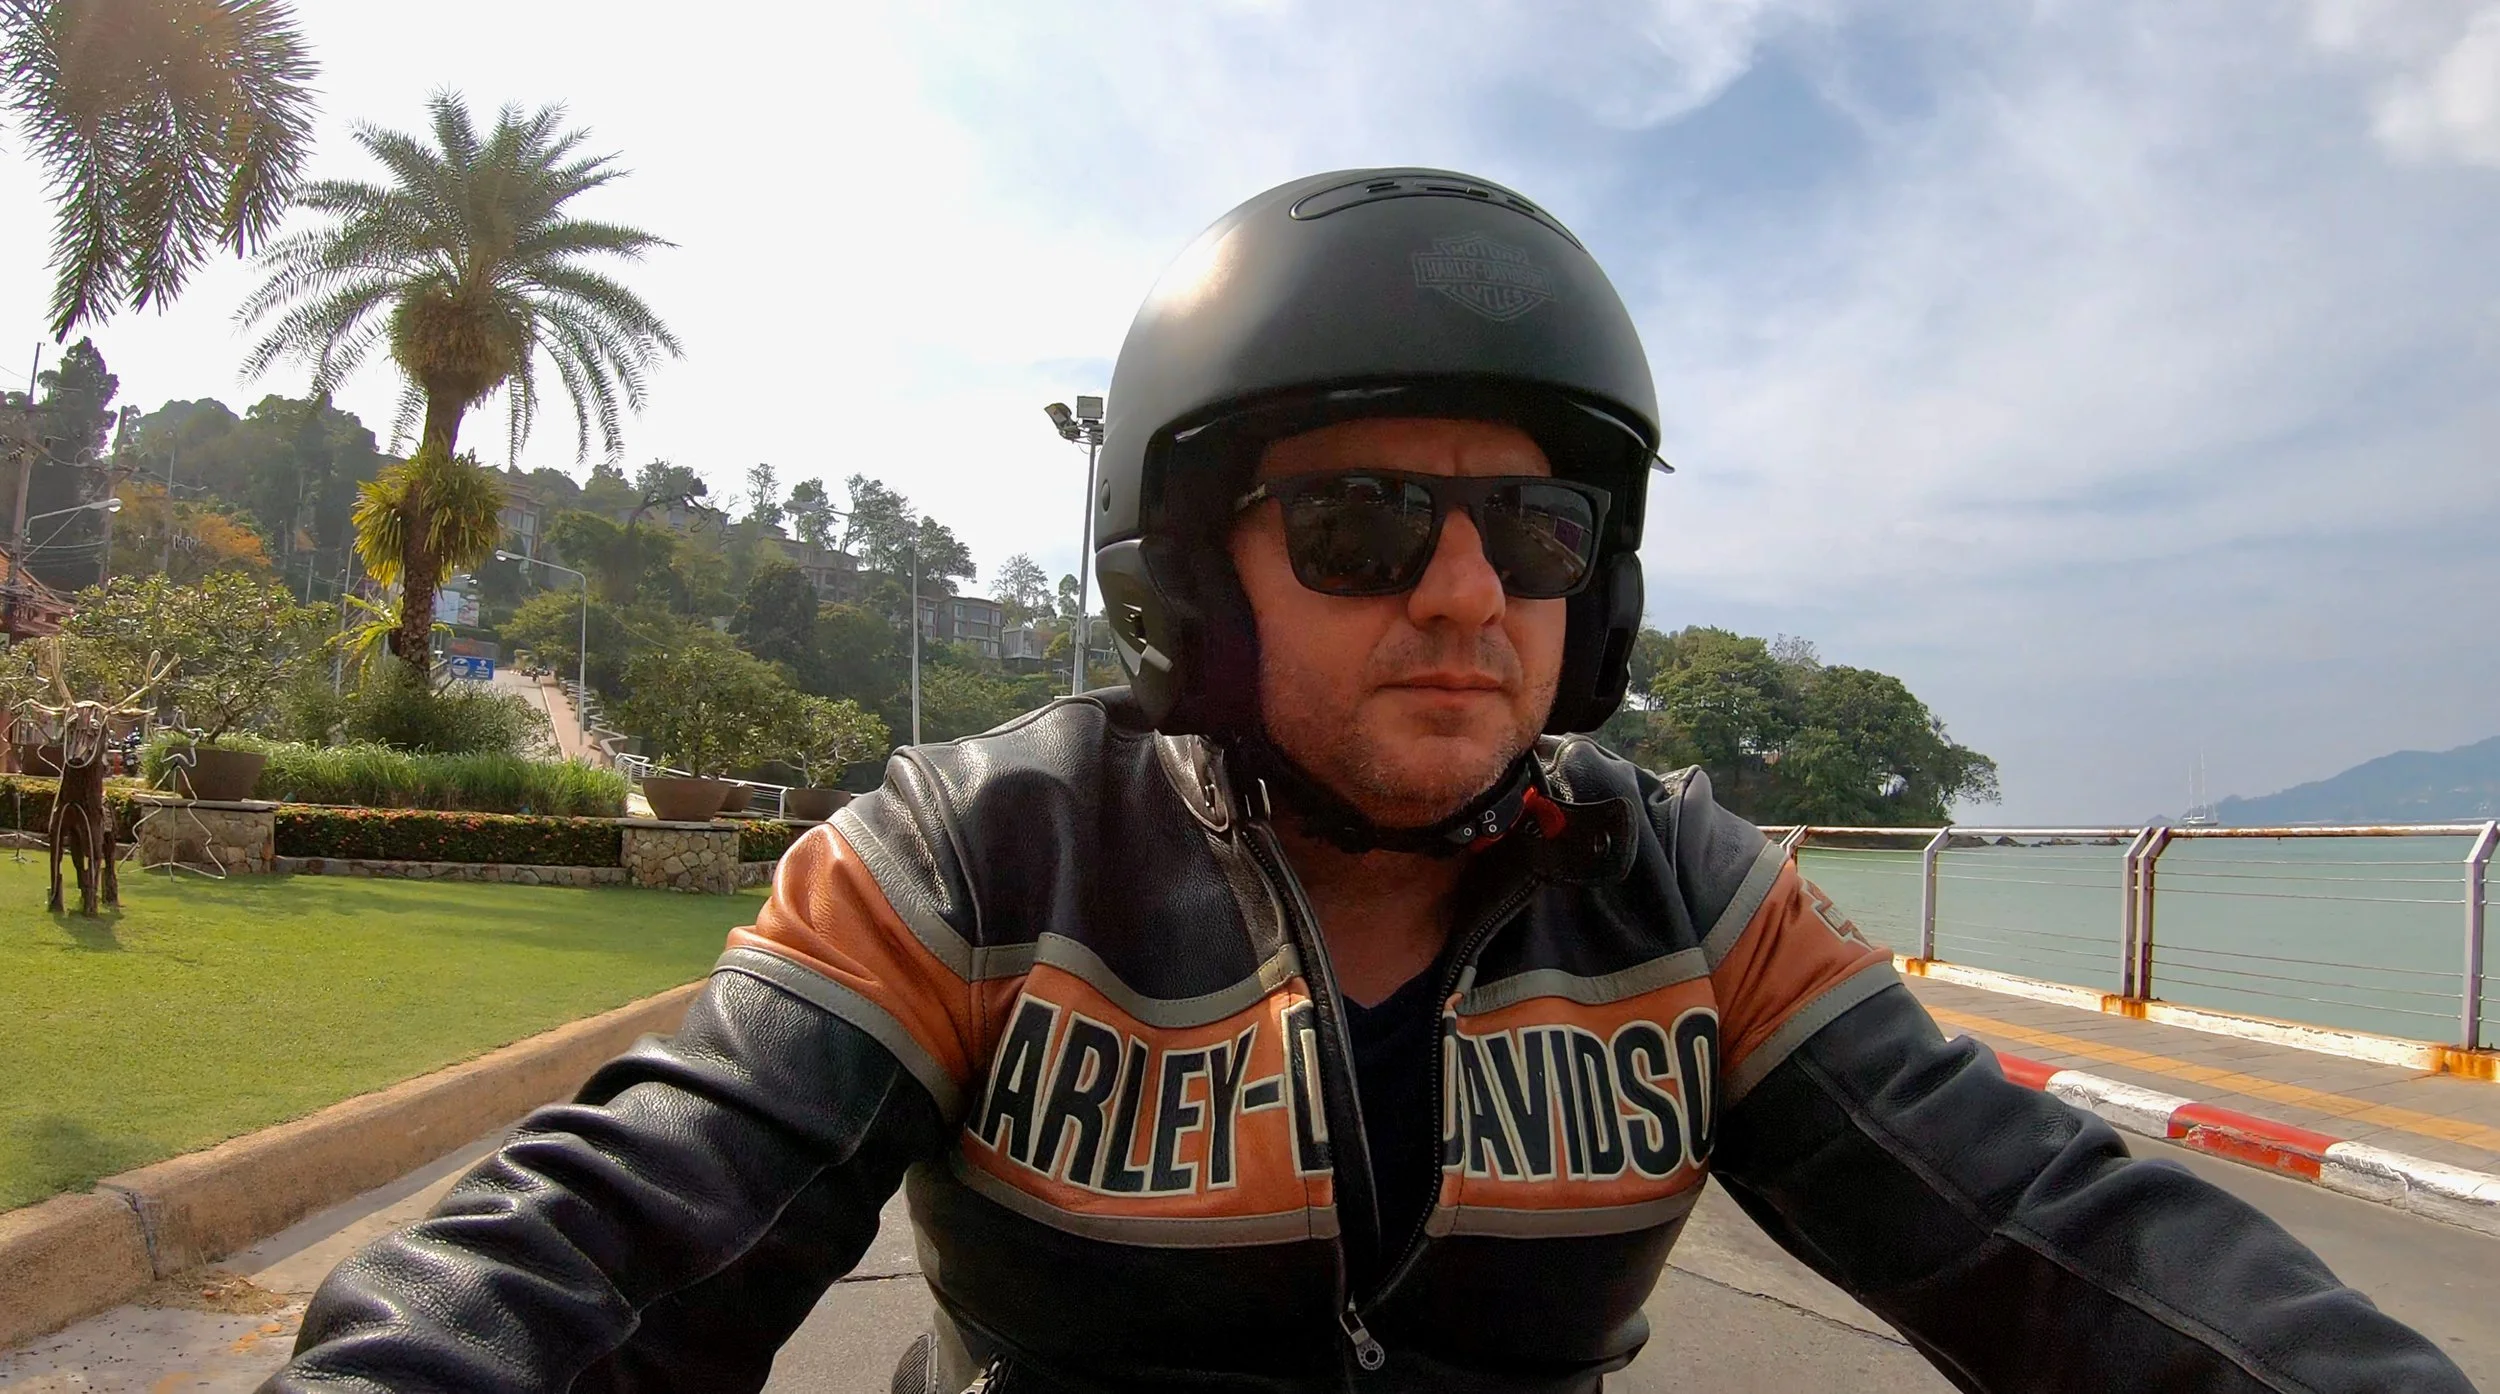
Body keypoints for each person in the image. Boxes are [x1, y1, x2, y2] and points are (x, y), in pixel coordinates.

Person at [262, 169, 2473, 1394]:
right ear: (1189, 570)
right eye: (1354, 525)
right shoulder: (972, 860)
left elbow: (2061, 1233)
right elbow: (610, 1240)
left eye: (1530, 532)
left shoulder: (1683, 894)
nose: (1456, 591)